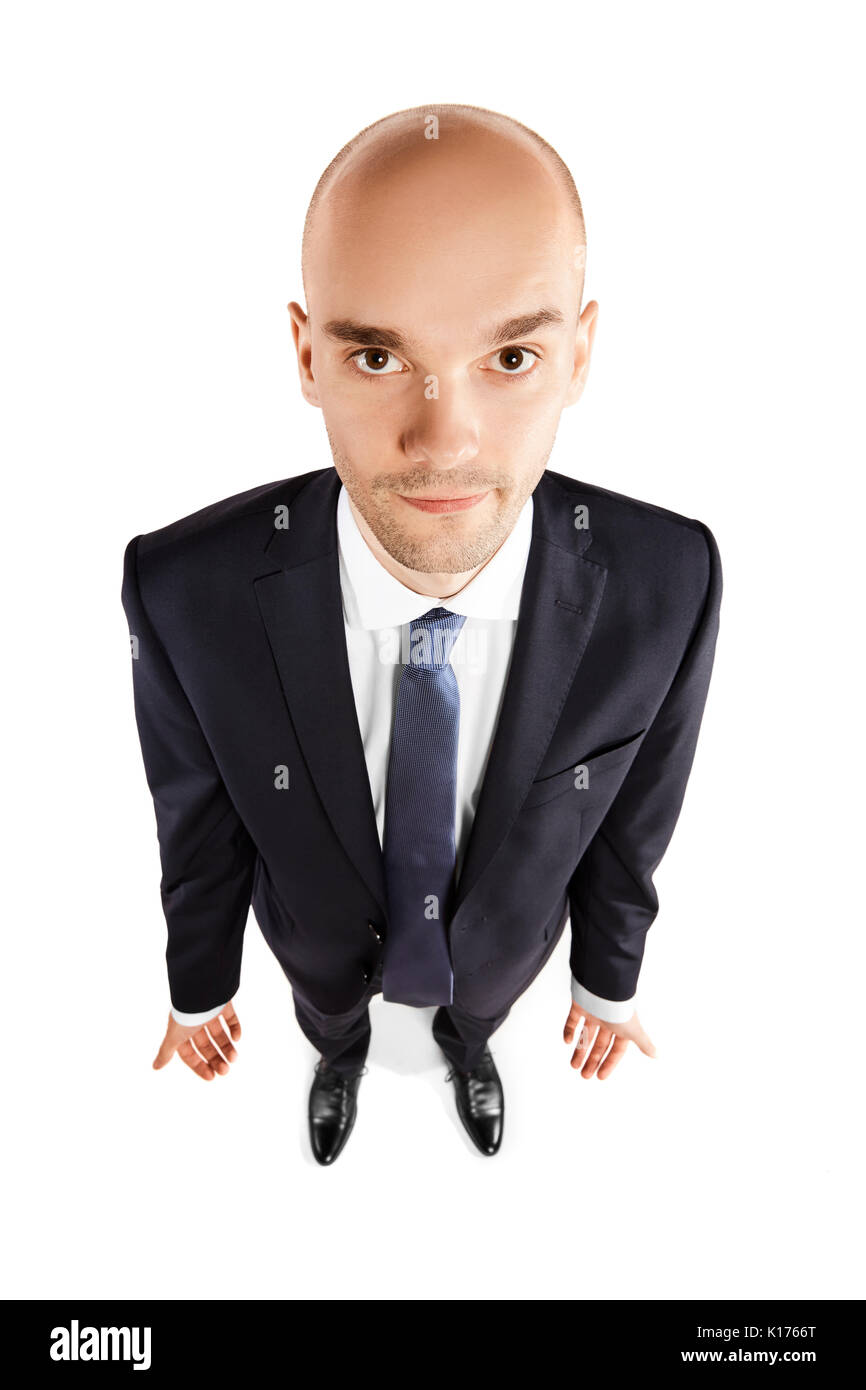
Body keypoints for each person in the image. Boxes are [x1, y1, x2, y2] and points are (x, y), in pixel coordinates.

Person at [121, 102, 722, 1164]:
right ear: (305, 356)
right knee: (330, 1021)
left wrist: (605, 976)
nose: (444, 439)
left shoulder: (668, 581)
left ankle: (468, 1046)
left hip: (502, 956)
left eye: (510, 358)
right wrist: (198, 985)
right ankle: (339, 1055)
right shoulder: (181, 588)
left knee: (474, 1015)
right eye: (375, 359)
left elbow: (634, 815)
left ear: (578, 354)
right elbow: (195, 822)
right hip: (313, 949)